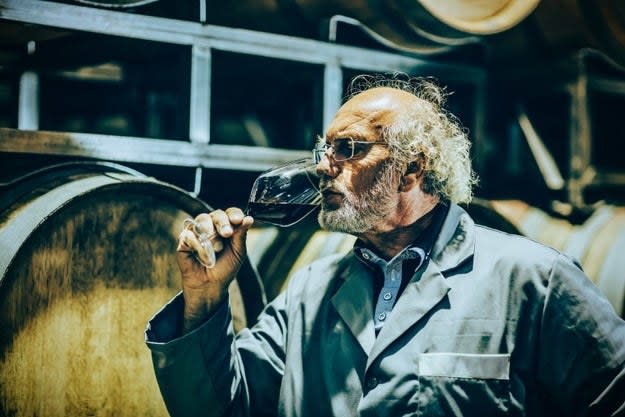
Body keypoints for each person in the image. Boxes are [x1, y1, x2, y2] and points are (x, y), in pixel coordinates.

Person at [145, 74, 625, 417]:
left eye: (348, 149)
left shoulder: (535, 282)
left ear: (412, 168)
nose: (323, 167)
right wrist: (206, 299)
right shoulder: (308, 291)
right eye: (323, 151)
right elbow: (225, 407)